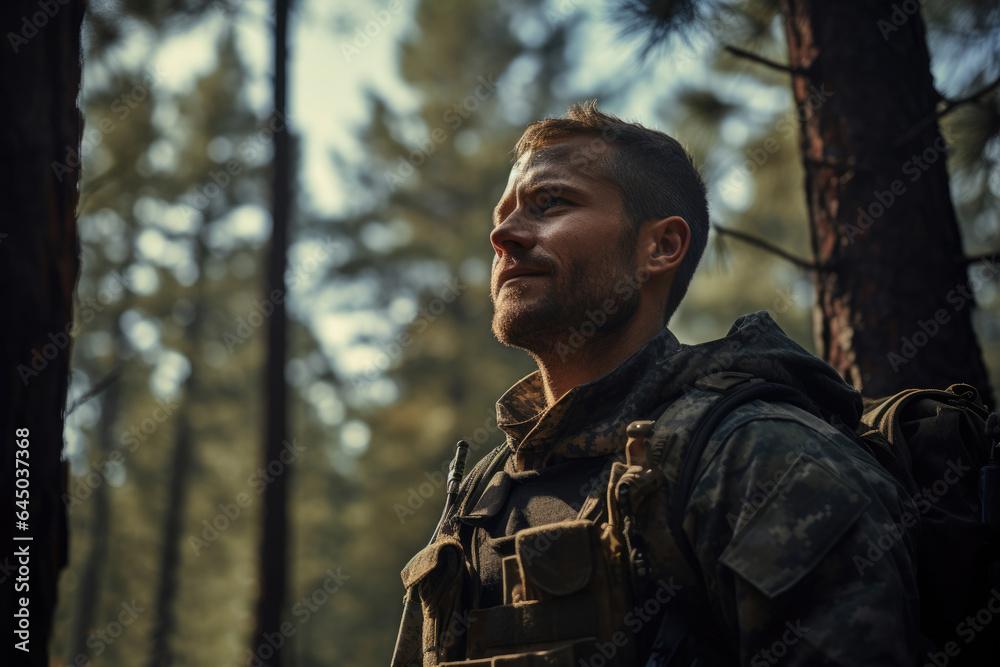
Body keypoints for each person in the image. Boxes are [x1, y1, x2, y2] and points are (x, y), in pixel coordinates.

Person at [390, 102, 919, 666]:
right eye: (504, 213)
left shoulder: (758, 455)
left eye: (551, 203)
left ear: (660, 248)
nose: (504, 234)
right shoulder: (482, 493)